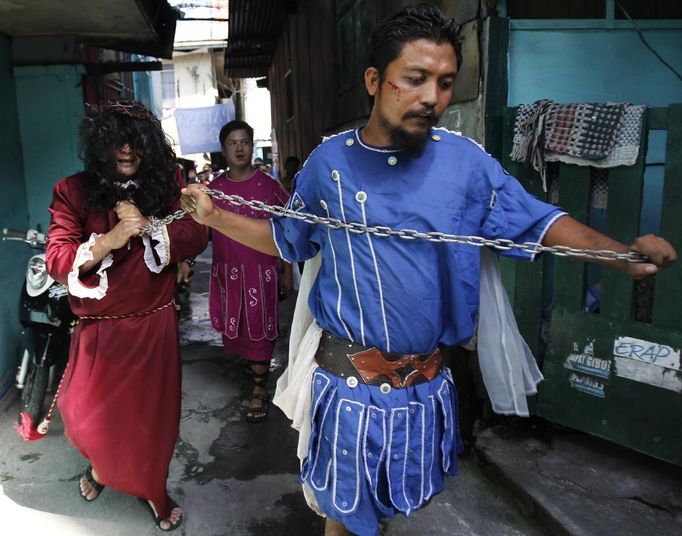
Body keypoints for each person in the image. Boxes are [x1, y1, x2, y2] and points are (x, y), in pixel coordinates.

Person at [180, 5, 676, 535]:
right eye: (414, 80)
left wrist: (617, 252)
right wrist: (216, 217)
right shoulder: (329, 166)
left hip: (426, 385)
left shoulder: (465, 163)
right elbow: (284, 239)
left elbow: (534, 221)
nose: (431, 98)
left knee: (395, 504)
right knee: (344, 516)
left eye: (444, 83)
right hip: (349, 384)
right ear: (375, 81)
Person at [46, 101, 208, 531]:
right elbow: (57, 256)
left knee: (149, 424)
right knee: (83, 417)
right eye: (117, 141)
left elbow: (196, 234)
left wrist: (152, 225)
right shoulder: (73, 191)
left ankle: (153, 491)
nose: (126, 150)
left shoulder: (166, 184)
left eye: (136, 142)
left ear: (149, 146)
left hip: (152, 324)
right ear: (100, 145)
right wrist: (109, 240)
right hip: (98, 330)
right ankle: (102, 468)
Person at [209, 120, 293, 423]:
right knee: (239, 327)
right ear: (224, 149)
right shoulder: (213, 190)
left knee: (261, 329)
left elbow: (288, 231)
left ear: (252, 145)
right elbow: (196, 232)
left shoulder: (269, 186)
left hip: (262, 274)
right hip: (226, 275)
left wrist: (287, 272)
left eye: (245, 141)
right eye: (233, 143)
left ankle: (260, 389)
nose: (240, 148)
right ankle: (253, 367)